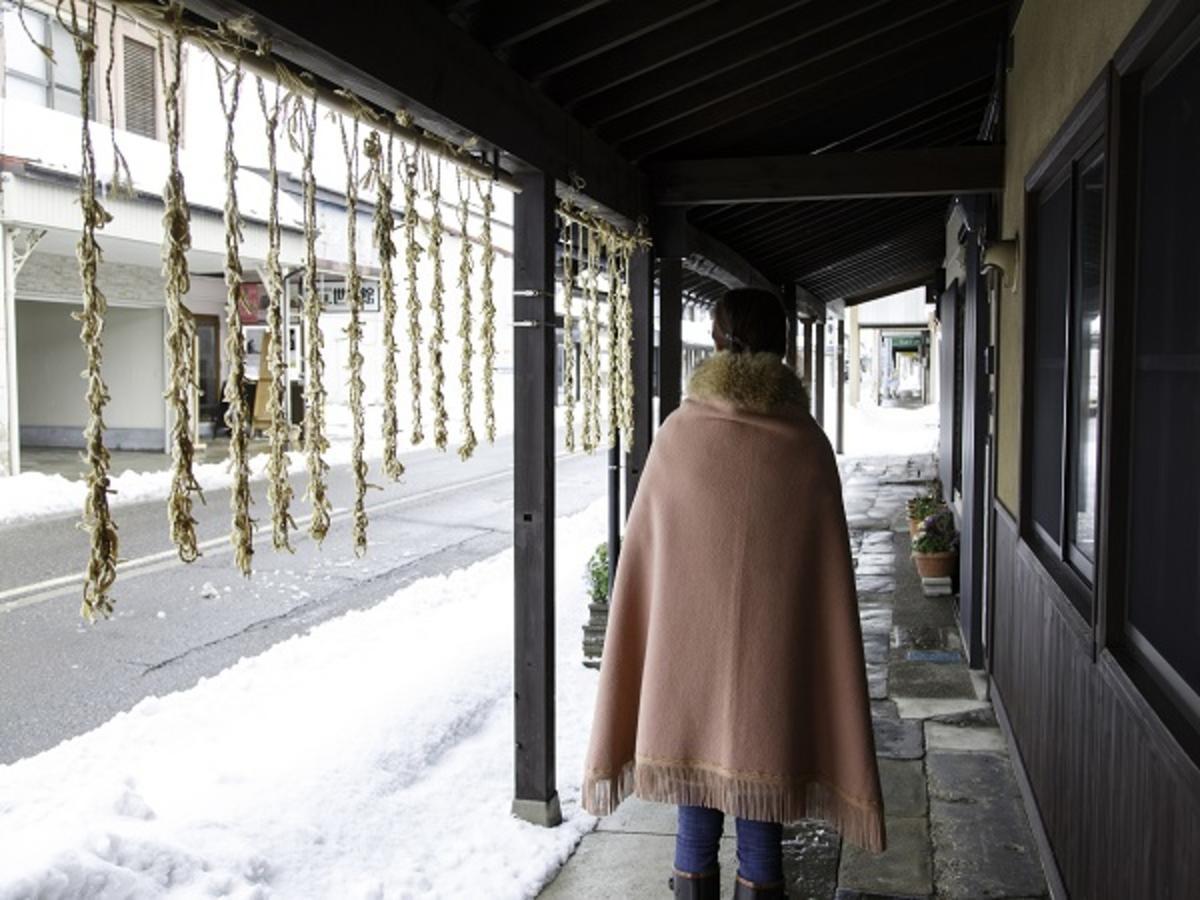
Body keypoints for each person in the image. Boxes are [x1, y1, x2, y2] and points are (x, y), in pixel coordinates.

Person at [581, 288, 885, 899]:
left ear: (717, 342)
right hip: (768, 679)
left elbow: (645, 561)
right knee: (761, 829)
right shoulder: (807, 446)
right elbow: (823, 577)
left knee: (693, 823)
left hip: (686, 675)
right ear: (785, 348)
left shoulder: (677, 438)